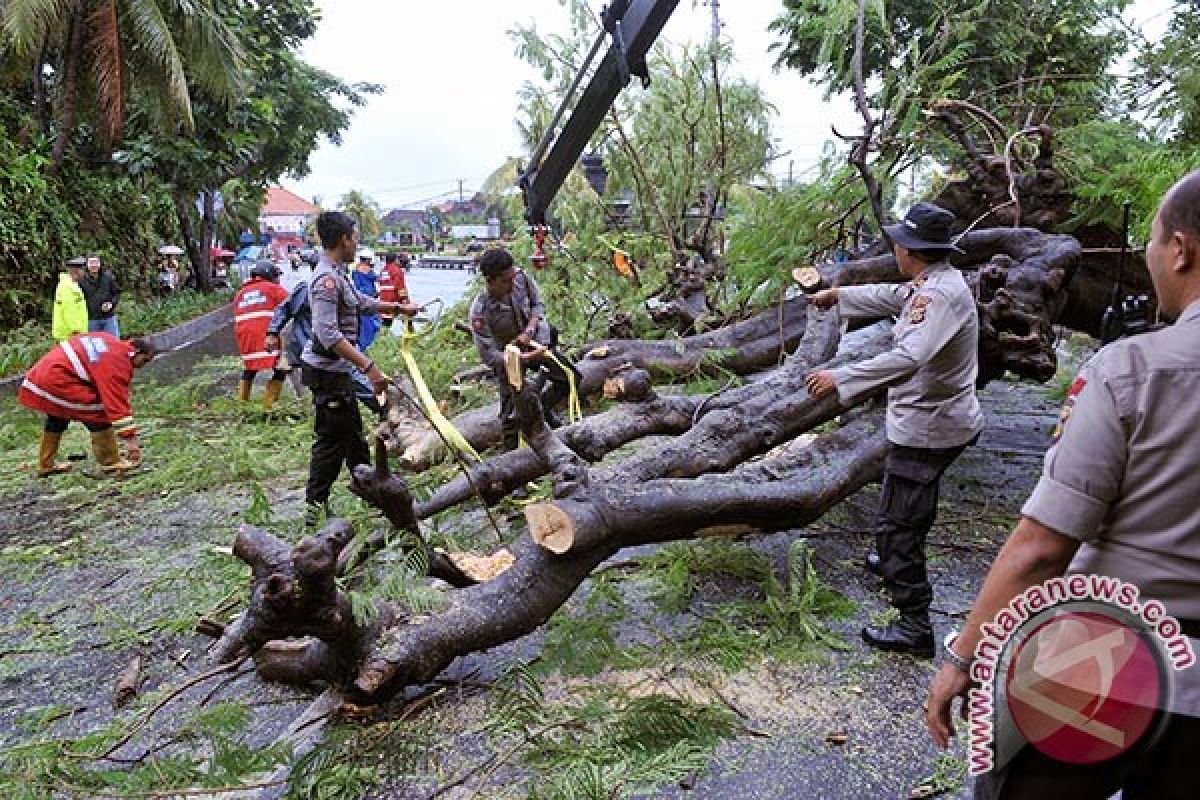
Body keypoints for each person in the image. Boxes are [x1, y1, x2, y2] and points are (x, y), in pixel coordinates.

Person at [925, 170, 1200, 799]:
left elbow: (1041, 549)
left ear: (1180, 250)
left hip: (1110, 669)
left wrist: (964, 657)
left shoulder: (1131, 372)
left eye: (1154, 241)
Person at [804, 201, 983, 656]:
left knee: (899, 524)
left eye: (899, 243)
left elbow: (909, 357)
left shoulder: (937, 296)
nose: (896, 250)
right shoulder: (933, 282)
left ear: (912, 251)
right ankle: (890, 561)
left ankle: (913, 624)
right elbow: (893, 296)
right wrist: (839, 296)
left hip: (930, 429)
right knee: (901, 507)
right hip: (931, 421)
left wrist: (841, 378)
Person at [300, 212, 419, 523]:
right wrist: (370, 368)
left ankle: (373, 496)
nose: (357, 244)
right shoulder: (325, 280)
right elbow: (327, 333)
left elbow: (359, 302)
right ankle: (314, 513)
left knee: (352, 437)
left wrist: (396, 308)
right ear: (343, 240)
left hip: (336, 372)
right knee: (331, 442)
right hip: (328, 374)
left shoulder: (338, 274)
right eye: (355, 238)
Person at [469, 247, 583, 450]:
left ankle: (542, 410)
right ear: (490, 281)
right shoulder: (481, 309)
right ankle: (510, 461)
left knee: (570, 377)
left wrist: (531, 332)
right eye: (505, 281)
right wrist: (521, 358)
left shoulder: (521, 278)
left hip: (536, 341)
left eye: (513, 278)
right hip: (509, 360)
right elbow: (489, 355)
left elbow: (538, 306)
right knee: (510, 415)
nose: (513, 284)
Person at [18, 333, 155, 475]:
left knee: (58, 416)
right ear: (136, 352)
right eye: (144, 361)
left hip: (41, 374)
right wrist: (131, 440)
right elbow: (115, 404)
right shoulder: (118, 363)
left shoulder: (109, 341)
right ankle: (111, 461)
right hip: (58, 379)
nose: (142, 366)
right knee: (98, 412)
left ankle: (46, 463)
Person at [265, 274, 386, 413]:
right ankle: (383, 407)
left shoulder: (339, 290)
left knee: (328, 391)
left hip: (322, 348)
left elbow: (361, 304)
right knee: (348, 377)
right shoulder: (308, 289)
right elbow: (285, 308)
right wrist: (272, 332)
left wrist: (396, 307)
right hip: (313, 348)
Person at [233, 260, 291, 409]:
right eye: (276, 276)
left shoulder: (240, 293)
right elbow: (290, 306)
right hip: (265, 335)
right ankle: (268, 406)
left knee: (250, 369)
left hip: (245, 339)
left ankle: (242, 405)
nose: (278, 280)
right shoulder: (273, 289)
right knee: (281, 367)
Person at [79, 255, 121, 336]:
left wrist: (111, 304)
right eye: (91, 263)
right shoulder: (81, 280)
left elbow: (117, 292)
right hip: (91, 320)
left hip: (109, 318)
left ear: (100, 264)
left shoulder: (108, 277)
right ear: (87, 265)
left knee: (114, 343)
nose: (94, 265)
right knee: (94, 345)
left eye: (96, 262)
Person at [52, 257, 89, 342]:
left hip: (74, 334)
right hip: (70, 335)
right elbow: (70, 310)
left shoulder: (73, 285)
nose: (85, 273)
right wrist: (76, 331)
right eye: (83, 270)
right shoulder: (68, 288)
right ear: (75, 271)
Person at [351, 253, 381, 351]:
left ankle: (361, 348)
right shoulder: (368, 270)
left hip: (358, 298)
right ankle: (369, 347)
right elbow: (377, 278)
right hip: (369, 299)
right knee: (371, 325)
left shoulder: (355, 270)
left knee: (362, 326)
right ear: (367, 260)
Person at [377, 252, 412, 329]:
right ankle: (409, 336)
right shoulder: (397, 270)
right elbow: (400, 287)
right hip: (394, 299)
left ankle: (382, 338)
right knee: (408, 318)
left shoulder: (383, 270)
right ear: (395, 260)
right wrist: (405, 301)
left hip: (383, 300)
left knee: (385, 324)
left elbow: (380, 284)